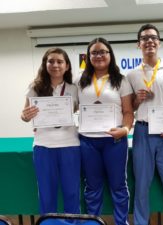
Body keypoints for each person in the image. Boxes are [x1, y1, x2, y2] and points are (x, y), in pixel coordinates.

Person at [127, 24, 163, 225]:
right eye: (144, 38)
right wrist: (138, 100)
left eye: (153, 38)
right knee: (142, 184)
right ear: (138, 45)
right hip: (142, 131)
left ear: (159, 42)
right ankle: (141, 222)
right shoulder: (132, 74)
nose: (149, 41)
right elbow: (129, 107)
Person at [77, 37, 133, 225]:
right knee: (92, 187)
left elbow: (128, 111)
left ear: (110, 55)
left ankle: (121, 222)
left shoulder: (121, 80)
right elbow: (69, 107)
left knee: (118, 186)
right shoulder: (79, 80)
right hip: (87, 141)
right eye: (94, 52)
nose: (99, 55)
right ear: (88, 56)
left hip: (114, 141)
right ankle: (93, 223)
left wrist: (124, 130)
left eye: (103, 52)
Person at [21, 48, 81, 214]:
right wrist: (26, 116)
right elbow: (24, 115)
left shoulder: (74, 88)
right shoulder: (35, 87)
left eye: (60, 61)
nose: (55, 65)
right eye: (51, 61)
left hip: (70, 144)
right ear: (45, 64)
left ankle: (73, 224)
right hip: (43, 145)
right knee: (46, 195)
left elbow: (79, 109)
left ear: (67, 66)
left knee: (72, 193)